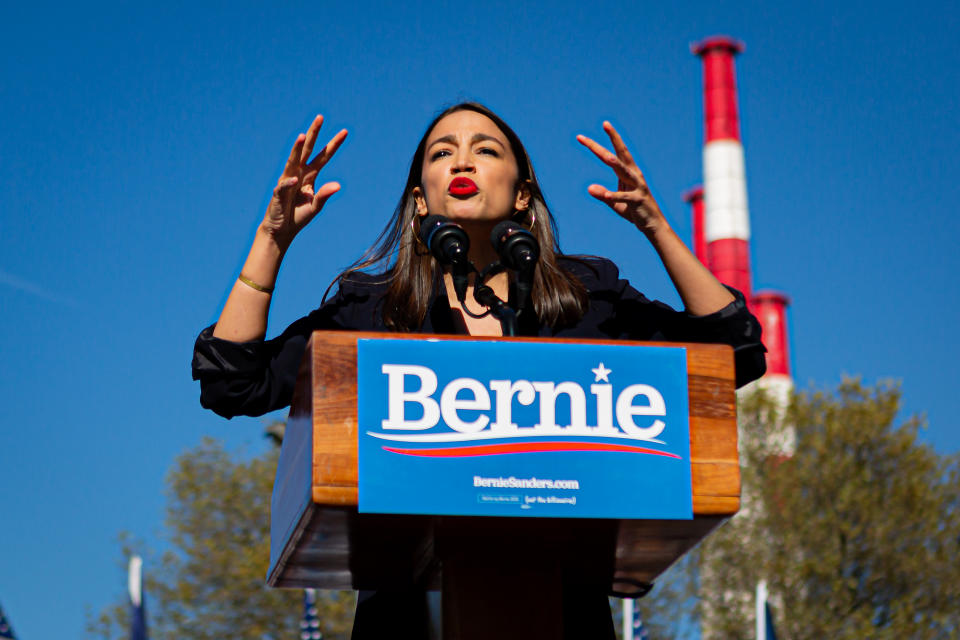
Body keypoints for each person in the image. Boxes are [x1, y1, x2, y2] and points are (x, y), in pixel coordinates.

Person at [192, 102, 766, 637]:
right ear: (421, 201)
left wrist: (657, 227)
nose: (462, 160)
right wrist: (272, 238)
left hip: (564, 613)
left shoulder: (589, 299)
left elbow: (734, 353)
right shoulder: (371, 313)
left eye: (486, 150)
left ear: (522, 194)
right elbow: (233, 380)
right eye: (442, 153)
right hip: (407, 617)